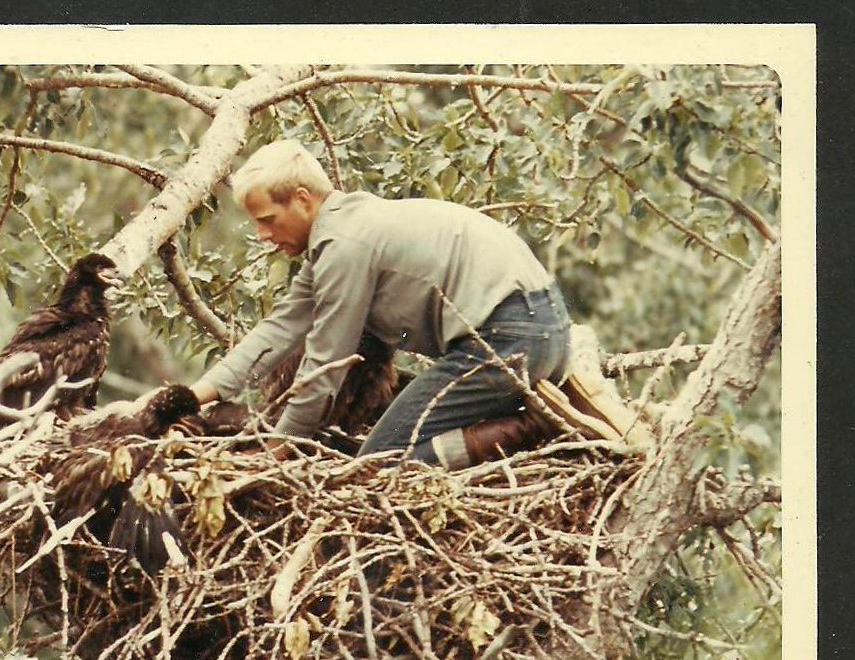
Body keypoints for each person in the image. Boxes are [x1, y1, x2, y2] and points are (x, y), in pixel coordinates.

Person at [184, 139, 632, 467]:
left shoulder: (345, 244)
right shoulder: (343, 232)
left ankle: (535, 428)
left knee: (376, 465)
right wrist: (187, 399)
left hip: (507, 341)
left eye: (267, 220)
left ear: (302, 200)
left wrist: (279, 447)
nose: (262, 235)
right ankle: (540, 412)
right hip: (540, 330)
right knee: (392, 447)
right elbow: (278, 330)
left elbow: (327, 362)